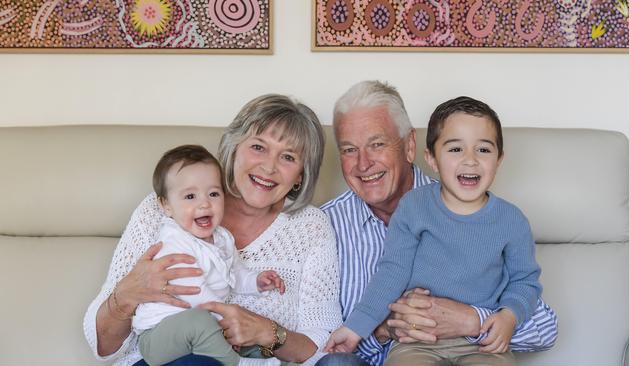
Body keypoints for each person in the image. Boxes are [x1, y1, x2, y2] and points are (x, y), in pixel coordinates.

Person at [83, 94, 342, 366]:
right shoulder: (163, 209)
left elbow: (324, 345)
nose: (269, 167)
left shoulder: (311, 227)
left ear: (301, 174)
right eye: (258, 147)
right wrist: (125, 298)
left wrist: (268, 332)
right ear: (234, 148)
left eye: (288, 157)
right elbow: (102, 346)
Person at [318, 81, 558, 366]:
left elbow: (529, 293)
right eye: (348, 150)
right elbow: (391, 272)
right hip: (412, 346)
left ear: (410, 147)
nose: (363, 163)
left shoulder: (511, 220)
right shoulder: (326, 225)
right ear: (432, 157)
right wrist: (368, 328)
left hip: (480, 347)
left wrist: (488, 318)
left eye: (377, 144)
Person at [134, 144, 286, 366]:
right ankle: (238, 363)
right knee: (202, 319)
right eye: (190, 196)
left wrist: (256, 281)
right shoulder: (174, 241)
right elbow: (196, 295)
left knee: (232, 331)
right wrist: (227, 318)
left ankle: (251, 354)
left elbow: (235, 273)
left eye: (213, 194)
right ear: (166, 205)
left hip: (199, 336)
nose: (204, 203)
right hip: (158, 335)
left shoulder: (222, 238)